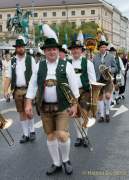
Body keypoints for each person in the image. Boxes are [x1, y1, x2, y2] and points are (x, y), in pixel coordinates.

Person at [25, 38, 80, 176]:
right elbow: (32, 85)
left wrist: (74, 105)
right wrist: (28, 102)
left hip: (62, 107)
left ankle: (66, 160)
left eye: (54, 49)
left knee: (61, 134)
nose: (51, 51)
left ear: (58, 50)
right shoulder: (39, 66)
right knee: (50, 136)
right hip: (45, 107)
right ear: (44, 51)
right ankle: (56, 163)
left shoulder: (66, 65)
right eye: (48, 49)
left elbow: (74, 87)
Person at [4, 37, 36, 143]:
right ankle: (25, 134)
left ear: (24, 48)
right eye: (18, 47)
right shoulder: (13, 61)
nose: (20, 49)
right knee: (21, 112)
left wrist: (35, 91)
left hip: (29, 89)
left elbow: (35, 75)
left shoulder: (30, 59)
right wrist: (5, 90)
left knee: (29, 111)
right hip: (17, 90)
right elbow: (8, 76)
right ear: (16, 49)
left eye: (22, 47)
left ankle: (32, 131)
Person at [68, 40, 96, 147]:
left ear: (81, 50)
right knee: (76, 115)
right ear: (71, 51)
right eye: (73, 48)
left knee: (84, 114)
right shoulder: (67, 63)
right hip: (72, 93)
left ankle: (85, 136)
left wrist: (93, 94)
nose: (75, 50)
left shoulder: (87, 63)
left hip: (84, 91)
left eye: (77, 48)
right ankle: (79, 136)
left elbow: (93, 80)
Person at [93, 41, 118, 123]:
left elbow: (116, 68)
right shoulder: (95, 57)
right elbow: (92, 69)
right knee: (100, 98)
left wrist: (110, 69)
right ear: (99, 49)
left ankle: (107, 113)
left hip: (108, 79)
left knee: (107, 96)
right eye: (101, 47)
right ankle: (102, 116)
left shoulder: (111, 57)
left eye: (104, 47)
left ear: (106, 48)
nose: (103, 48)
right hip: (98, 79)